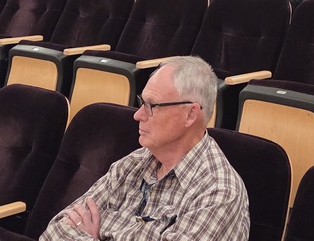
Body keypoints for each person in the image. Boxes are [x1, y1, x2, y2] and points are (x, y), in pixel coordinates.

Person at [40, 56, 249, 241]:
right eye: (142, 103)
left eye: (152, 105)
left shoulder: (218, 193)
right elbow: (55, 231)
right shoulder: (134, 163)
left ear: (190, 114)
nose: (137, 115)